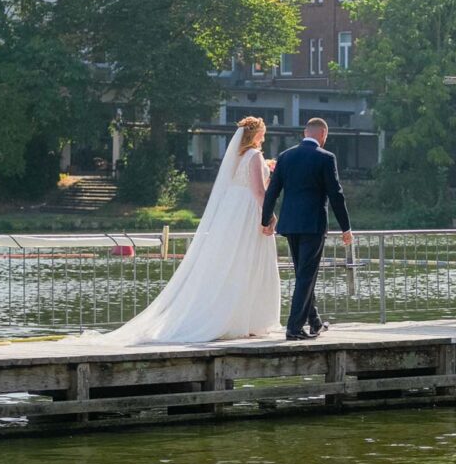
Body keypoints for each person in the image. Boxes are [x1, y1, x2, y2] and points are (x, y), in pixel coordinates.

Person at [99, 116, 281, 345]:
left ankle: (237, 318)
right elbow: (257, 191)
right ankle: (246, 321)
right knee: (248, 262)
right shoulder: (254, 155)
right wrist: (270, 214)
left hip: (232, 212)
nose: (264, 136)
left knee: (233, 263)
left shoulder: (239, 156)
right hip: (247, 211)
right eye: (262, 132)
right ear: (255, 134)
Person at [261, 116, 352, 341]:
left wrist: (265, 221)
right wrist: (346, 227)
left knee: (303, 274)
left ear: (305, 133)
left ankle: (315, 322)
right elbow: (336, 195)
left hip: (290, 224)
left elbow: (272, 191)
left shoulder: (285, 156)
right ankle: (293, 328)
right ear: (323, 135)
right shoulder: (326, 158)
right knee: (306, 276)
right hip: (313, 225)